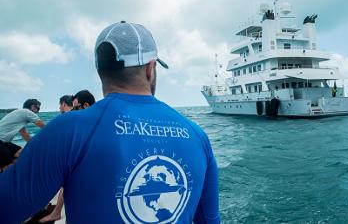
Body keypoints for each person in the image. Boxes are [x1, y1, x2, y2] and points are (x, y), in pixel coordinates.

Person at [0, 21, 220, 223]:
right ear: (150, 69)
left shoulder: (67, 130)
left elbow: (6, 209)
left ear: (100, 71)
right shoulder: (197, 135)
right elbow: (209, 220)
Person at [39, 91, 95, 223]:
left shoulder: (90, 120)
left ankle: (57, 212)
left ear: (86, 105)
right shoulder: (84, 119)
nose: (72, 110)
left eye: (75, 107)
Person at [0, 99, 45, 170]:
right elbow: (43, 126)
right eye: (38, 108)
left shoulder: (20, 115)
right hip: (1, 142)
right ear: (33, 107)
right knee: (7, 167)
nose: (38, 112)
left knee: (22, 154)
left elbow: (25, 134)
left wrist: (35, 147)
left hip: (4, 143)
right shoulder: (27, 112)